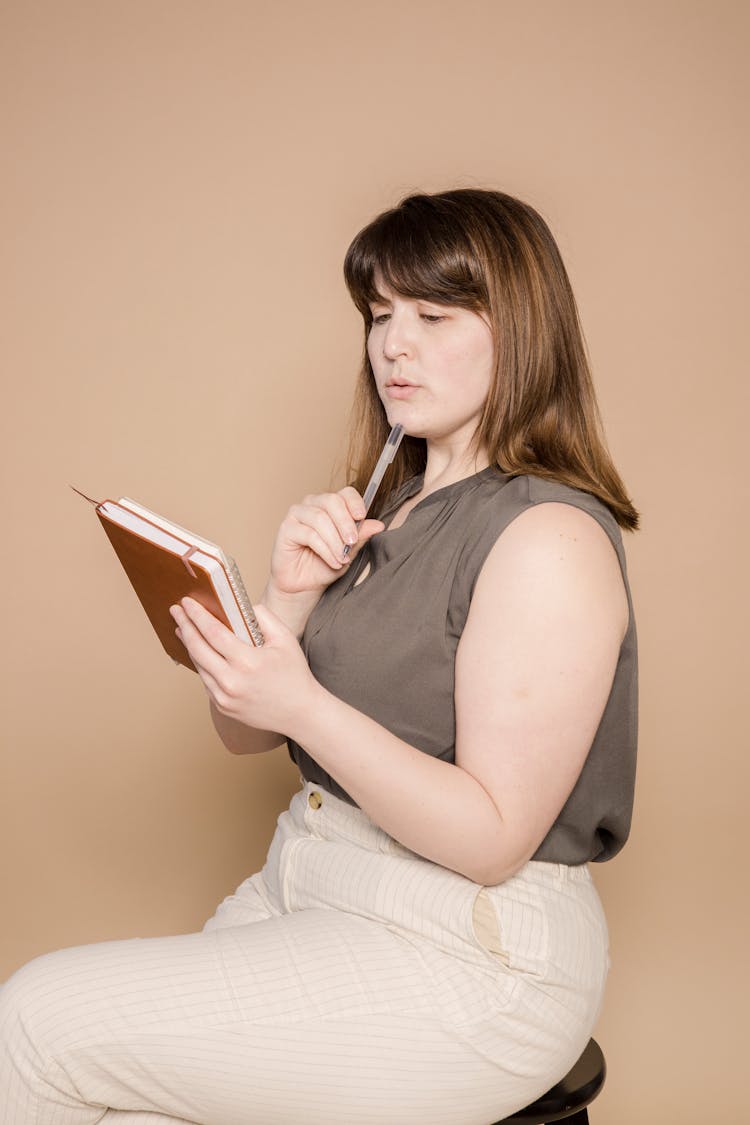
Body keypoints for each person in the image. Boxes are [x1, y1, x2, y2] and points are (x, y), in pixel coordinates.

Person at [0, 189, 638, 1124]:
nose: (393, 345)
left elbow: (494, 836)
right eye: (380, 316)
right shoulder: (391, 506)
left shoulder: (547, 537)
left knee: (32, 1024)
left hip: (470, 952)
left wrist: (302, 704)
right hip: (309, 882)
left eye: (432, 314)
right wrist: (287, 595)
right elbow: (241, 734)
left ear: (523, 330)